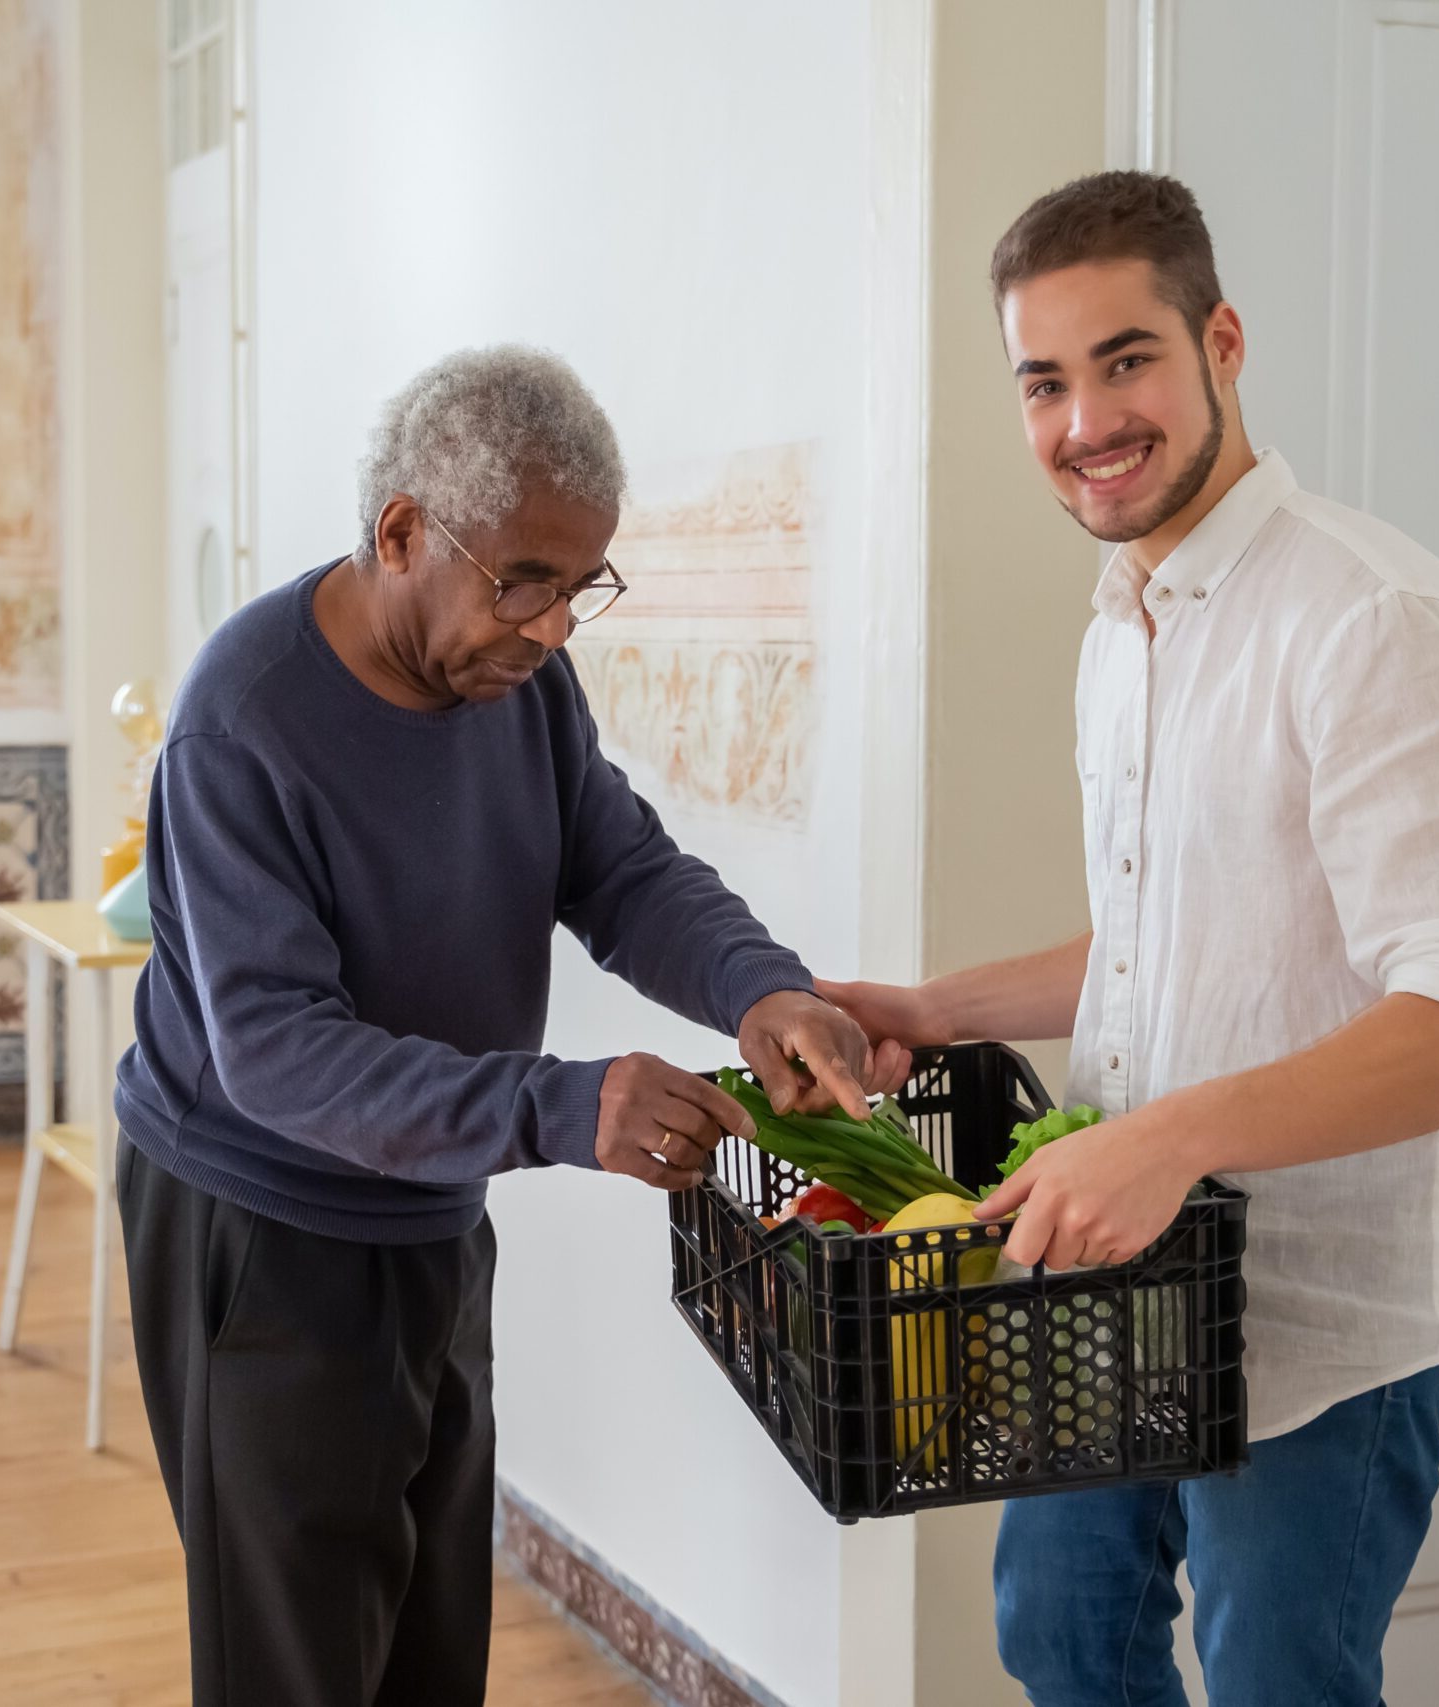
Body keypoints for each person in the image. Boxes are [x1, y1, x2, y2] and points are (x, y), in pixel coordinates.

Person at [823, 172, 1439, 1706]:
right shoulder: (1129, 621)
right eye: (1046, 381)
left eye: (1127, 360)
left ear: (1221, 343)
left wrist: (1165, 1138)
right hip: (1128, 1262)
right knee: (1062, 1628)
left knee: (1280, 1677)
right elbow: (1173, 934)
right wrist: (937, 1001)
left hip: (1325, 1301)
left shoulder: (1374, 624)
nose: (1087, 419)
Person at [113, 345, 905, 1706]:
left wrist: (763, 989)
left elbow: (620, 869)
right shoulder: (244, 719)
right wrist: (561, 1103)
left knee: (430, 1647)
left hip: (429, 1210)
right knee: (293, 1668)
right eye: (522, 582)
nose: (548, 628)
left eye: (578, 586)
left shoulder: (522, 687)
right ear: (402, 531)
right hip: (263, 1237)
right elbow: (276, 1048)